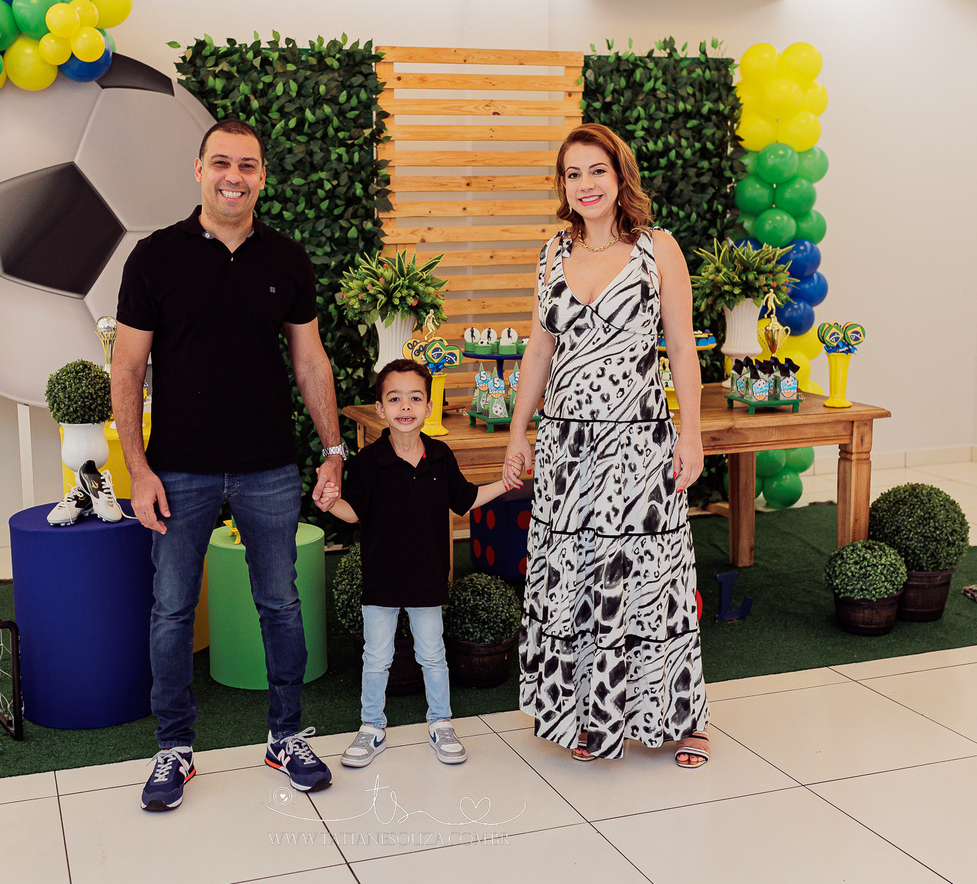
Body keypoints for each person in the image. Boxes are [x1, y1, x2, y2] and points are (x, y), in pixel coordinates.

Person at [111, 119, 346, 812]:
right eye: (221, 163)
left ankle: (286, 735)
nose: (233, 176)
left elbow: (310, 360)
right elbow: (127, 368)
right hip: (177, 469)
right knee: (172, 610)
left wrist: (333, 449)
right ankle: (174, 748)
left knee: (280, 603)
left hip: (268, 466)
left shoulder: (287, 259)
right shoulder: (154, 257)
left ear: (262, 176)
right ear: (198, 170)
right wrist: (138, 470)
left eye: (247, 165)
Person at [502, 123, 711, 767]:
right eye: (573, 174)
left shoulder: (657, 248)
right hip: (566, 447)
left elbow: (682, 348)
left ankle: (681, 721)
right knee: (576, 576)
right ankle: (589, 718)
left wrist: (692, 433)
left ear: (620, 177)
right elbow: (539, 350)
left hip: (639, 445)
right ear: (562, 186)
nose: (586, 184)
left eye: (597, 170)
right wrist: (518, 431)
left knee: (650, 579)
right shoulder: (551, 253)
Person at [317, 359, 510, 767]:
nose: (405, 406)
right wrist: (331, 503)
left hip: (427, 579)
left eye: (415, 398)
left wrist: (505, 484)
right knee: (376, 658)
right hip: (381, 580)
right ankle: (371, 727)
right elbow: (353, 513)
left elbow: (466, 499)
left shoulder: (440, 455)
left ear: (428, 407)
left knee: (433, 655)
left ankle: (441, 722)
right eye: (395, 398)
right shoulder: (368, 461)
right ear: (380, 408)